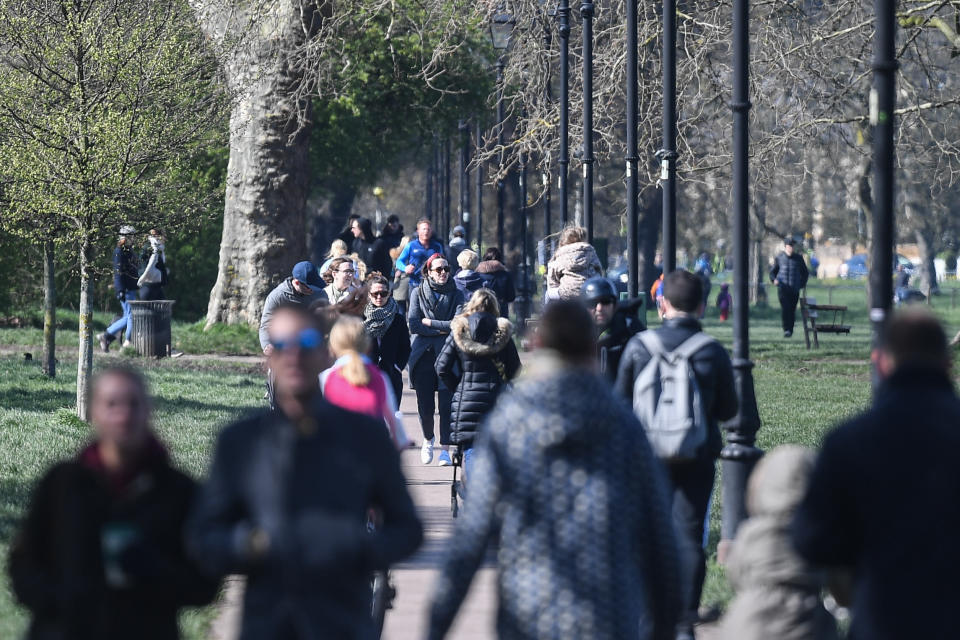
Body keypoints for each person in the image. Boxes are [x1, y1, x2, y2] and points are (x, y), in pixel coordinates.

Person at [427, 300, 682, 640]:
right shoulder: (622, 425)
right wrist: (664, 624)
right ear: (592, 350)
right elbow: (658, 532)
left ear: (538, 346)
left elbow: (472, 536)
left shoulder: (512, 422)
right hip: (609, 612)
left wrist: (437, 625)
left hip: (530, 609)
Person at [187, 303, 423, 639]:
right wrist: (252, 544)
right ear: (269, 357)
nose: (293, 355)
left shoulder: (365, 437)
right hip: (268, 623)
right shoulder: (240, 442)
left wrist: (354, 548)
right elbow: (204, 536)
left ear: (325, 353)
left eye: (306, 343)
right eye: (282, 345)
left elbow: (408, 529)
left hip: (344, 621)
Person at [8, 367, 218, 639]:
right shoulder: (62, 484)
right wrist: (61, 603)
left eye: (133, 403)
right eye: (111, 404)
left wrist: (155, 572)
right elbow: (23, 565)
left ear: (148, 410)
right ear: (93, 412)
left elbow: (204, 584)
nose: (123, 415)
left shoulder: (177, 491)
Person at [792, 311, 960, 640]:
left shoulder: (849, 440)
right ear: (946, 364)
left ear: (881, 363)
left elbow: (811, 540)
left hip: (880, 620)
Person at [615, 270, 738, 640]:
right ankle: (683, 619)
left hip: (646, 457)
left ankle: (648, 617)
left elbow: (620, 403)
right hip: (695, 455)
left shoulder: (639, 346)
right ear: (701, 305)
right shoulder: (711, 350)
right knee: (688, 535)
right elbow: (729, 409)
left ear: (663, 302)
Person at [719, 446, 838, 640]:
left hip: (750, 622)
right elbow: (838, 581)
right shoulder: (817, 535)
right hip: (807, 619)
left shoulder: (751, 532)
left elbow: (735, 574)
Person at [435, 289, 520, 480]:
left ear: (471, 305)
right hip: (496, 400)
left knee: (471, 448)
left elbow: (441, 366)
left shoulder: (460, 331)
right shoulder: (502, 333)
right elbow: (515, 369)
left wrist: (457, 386)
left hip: (467, 400)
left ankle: (472, 491)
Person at [408, 253, 465, 467]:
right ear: (428, 272)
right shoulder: (417, 293)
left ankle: (445, 450)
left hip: (449, 356)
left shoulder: (457, 294)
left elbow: (458, 323)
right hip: (423, 356)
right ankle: (428, 439)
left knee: (447, 405)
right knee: (425, 406)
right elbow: (413, 324)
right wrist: (443, 327)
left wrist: (430, 323)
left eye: (446, 269)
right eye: (438, 269)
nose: (443, 273)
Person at [321, 315, 406, 448]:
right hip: (371, 450)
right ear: (367, 345)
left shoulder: (326, 378)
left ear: (333, 346)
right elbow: (393, 420)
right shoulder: (379, 377)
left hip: (336, 452)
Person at [581, 276, 644, 382]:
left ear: (615, 305)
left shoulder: (629, 328)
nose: (599, 308)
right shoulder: (575, 334)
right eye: (592, 303)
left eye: (605, 301)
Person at [258, 261, 326, 355]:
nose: (313, 290)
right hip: (286, 345)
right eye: (309, 287)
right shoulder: (278, 296)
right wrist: (267, 344)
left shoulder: (319, 294)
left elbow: (328, 318)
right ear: (297, 282)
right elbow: (267, 323)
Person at [364, 272, 410, 408]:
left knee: (392, 418)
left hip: (391, 374)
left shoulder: (398, 318)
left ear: (389, 294)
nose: (379, 297)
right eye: (375, 294)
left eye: (383, 293)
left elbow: (405, 347)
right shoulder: (360, 317)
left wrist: (397, 367)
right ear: (368, 294)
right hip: (366, 374)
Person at [98, 225, 140, 352]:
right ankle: (127, 342)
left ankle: (106, 336)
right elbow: (118, 272)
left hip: (131, 288)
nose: (133, 238)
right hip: (125, 289)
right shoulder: (119, 252)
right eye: (131, 236)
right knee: (131, 316)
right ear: (126, 237)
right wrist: (120, 290)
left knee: (129, 316)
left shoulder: (129, 251)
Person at [546, 225, 603, 300]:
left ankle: (549, 311)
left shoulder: (561, 253)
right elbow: (599, 270)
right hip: (589, 292)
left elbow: (552, 279)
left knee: (548, 294)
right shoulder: (590, 250)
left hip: (567, 293)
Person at [769, 238, 809, 338]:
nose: (791, 248)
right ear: (786, 246)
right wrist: (774, 280)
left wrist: (801, 284)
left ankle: (790, 330)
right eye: (789, 246)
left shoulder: (799, 258)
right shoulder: (780, 258)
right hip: (783, 289)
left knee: (792, 310)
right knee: (785, 309)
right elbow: (772, 272)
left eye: (792, 246)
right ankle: (786, 329)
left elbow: (805, 273)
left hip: (794, 289)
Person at [395, 218, 445, 290]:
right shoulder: (411, 245)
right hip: (415, 284)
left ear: (431, 231)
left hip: (433, 284)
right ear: (418, 231)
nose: (426, 231)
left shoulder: (437, 246)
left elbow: (443, 263)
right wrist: (405, 268)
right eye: (424, 229)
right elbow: (399, 262)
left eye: (428, 229)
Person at [476, 247, 515, 319]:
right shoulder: (505, 275)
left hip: (482, 312)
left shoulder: (477, 275)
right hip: (501, 312)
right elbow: (511, 297)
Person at [136, 228, 168, 301]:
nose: (164, 238)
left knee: (162, 310)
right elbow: (146, 267)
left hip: (156, 286)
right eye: (163, 236)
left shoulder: (158, 248)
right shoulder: (151, 248)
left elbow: (160, 266)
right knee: (147, 311)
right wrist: (142, 279)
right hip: (148, 286)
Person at [391, 235, 412, 315]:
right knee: (401, 307)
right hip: (401, 281)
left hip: (406, 281)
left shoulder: (413, 253)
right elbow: (394, 267)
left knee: (408, 306)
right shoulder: (397, 254)